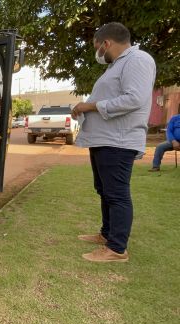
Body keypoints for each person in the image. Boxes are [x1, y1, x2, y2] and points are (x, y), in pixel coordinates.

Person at [71, 22, 156, 262]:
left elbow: (134, 99)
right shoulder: (118, 65)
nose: (98, 53)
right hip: (104, 139)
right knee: (104, 190)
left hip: (118, 140)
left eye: (97, 48)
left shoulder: (137, 60)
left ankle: (117, 248)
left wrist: (90, 105)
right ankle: (107, 234)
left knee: (117, 193)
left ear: (106, 43)